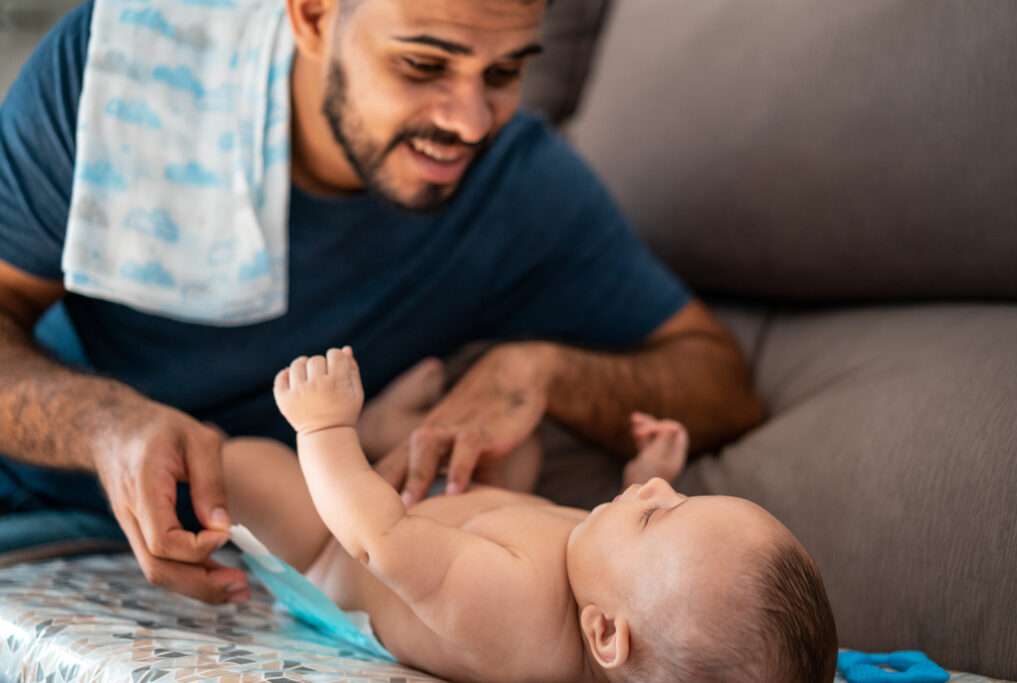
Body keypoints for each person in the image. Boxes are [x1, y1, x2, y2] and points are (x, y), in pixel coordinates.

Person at [0, 0, 762, 605]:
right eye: (423, 64)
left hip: (272, 570)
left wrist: (537, 372)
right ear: (312, 16)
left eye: (504, 73)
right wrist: (106, 428)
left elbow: (719, 382)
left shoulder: (520, 190)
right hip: (33, 503)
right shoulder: (121, 72)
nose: (470, 122)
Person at [222, 346, 837, 683]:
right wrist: (640, 476)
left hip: (338, 551)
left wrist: (324, 428)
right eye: (675, 497)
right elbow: (634, 560)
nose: (655, 488)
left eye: (656, 516)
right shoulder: (612, 586)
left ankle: (358, 438)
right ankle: (389, 433)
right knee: (518, 448)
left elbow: (379, 538)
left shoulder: (512, 611)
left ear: (604, 635)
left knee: (248, 466)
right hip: (458, 515)